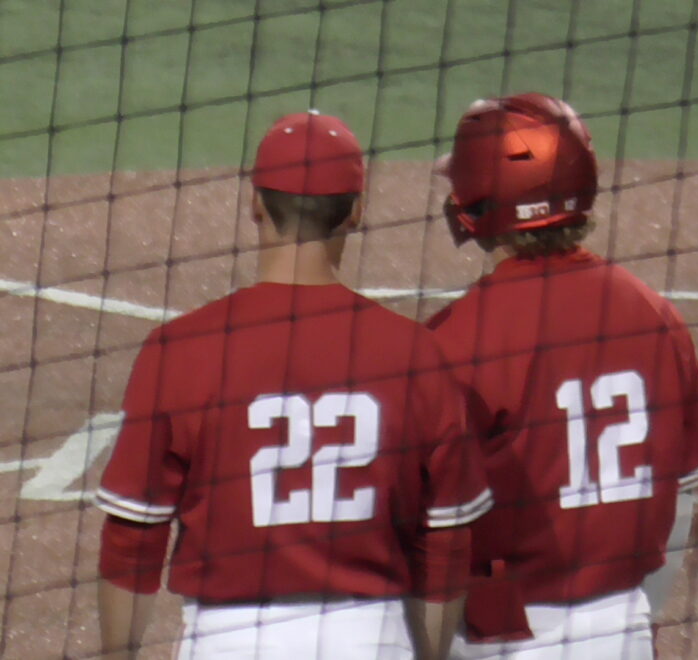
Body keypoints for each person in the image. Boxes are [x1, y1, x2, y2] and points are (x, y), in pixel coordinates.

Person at [94, 110, 492, 660]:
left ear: (256, 204)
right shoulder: (417, 354)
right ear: (355, 213)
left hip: (231, 642)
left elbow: (132, 537)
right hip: (369, 638)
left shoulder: (180, 349)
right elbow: (445, 545)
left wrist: (118, 653)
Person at [427, 93, 698, 659]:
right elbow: (684, 495)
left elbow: (429, 529)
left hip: (502, 637)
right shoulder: (654, 313)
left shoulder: (455, 340)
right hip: (623, 629)